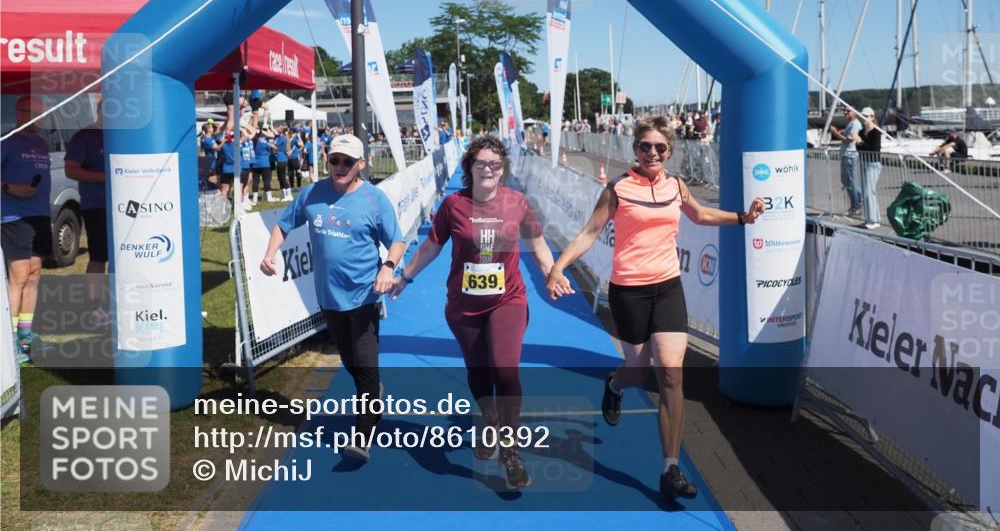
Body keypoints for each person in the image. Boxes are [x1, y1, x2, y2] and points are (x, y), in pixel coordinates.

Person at [545, 116, 765, 501]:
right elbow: (589, 232)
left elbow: (700, 214)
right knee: (638, 369)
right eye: (646, 146)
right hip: (628, 291)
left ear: (670, 151)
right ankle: (615, 384)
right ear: (635, 149)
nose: (652, 153)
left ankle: (670, 469)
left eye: (660, 148)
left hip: (667, 287)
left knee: (670, 373)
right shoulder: (618, 188)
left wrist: (743, 218)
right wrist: (557, 268)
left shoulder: (677, 186)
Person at [391, 135, 554, 490]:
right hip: (464, 307)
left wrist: (551, 273)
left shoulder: (517, 203)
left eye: (495, 164)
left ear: (503, 168)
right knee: (479, 371)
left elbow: (537, 242)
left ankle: (510, 449)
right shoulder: (454, 204)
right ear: (470, 168)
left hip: (507, 299)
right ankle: (489, 418)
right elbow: (432, 246)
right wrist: (405, 276)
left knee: (505, 370)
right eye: (481, 163)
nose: (488, 169)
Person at [260, 134, 404, 461]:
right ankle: (372, 393)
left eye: (347, 162)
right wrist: (270, 253)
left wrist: (388, 267)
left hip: (365, 295)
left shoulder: (373, 199)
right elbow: (283, 225)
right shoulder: (312, 193)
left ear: (360, 165)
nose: (339, 167)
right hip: (329, 297)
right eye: (335, 160)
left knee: (366, 365)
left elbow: (396, 240)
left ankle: (362, 434)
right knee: (351, 361)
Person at [1, 96, 53, 363]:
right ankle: (8, 340)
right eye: (31, 112)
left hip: (40, 216)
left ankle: (25, 336)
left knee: (34, 275)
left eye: (40, 114)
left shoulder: (41, 143)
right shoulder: (7, 141)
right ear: (19, 112)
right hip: (14, 216)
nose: (36, 118)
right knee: (18, 277)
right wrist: (10, 188)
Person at [65, 101, 110, 325]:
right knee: (99, 256)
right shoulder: (85, 137)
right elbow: (71, 169)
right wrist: (106, 177)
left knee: (124, 256)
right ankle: (95, 307)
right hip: (97, 205)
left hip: (126, 206)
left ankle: (120, 302)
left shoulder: (126, 135)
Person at [828, 107, 862, 217]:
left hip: (849, 155)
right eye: (844, 110)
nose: (845, 112)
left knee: (850, 181)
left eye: (848, 110)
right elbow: (846, 136)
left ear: (854, 111)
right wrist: (839, 131)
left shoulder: (855, 124)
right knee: (846, 181)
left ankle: (856, 206)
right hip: (846, 155)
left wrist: (834, 132)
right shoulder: (851, 123)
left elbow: (847, 140)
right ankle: (856, 205)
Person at [856, 107, 882, 230]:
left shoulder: (876, 131)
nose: (864, 118)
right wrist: (860, 144)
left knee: (868, 191)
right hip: (863, 162)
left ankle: (873, 220)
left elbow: (875, 148)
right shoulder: (861, 131)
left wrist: (860, 143)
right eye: (862, 116)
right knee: (867, 191)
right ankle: (871, 218)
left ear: (872, 117)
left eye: (866, 116)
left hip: (873, 164)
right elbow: (859, 149)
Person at [250, 126, 276, 203]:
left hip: (256, 163)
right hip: (265, 163)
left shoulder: (255, 140)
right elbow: (273, 136)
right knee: (266, 181)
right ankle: (269, 197)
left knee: (255, 181)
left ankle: (254, 198)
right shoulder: (267, 140)